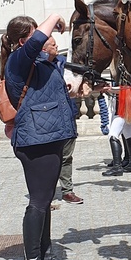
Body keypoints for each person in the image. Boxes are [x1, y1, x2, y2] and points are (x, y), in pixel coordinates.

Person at [0, 14, 77, 260]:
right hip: (36, 141)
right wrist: (55, 16)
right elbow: (38, 40)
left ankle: (45, 255)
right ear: (24, 40)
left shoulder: (37, 62)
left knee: (45, 202)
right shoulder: (18, 58)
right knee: (39, 202)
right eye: (34, 35)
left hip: (48, 137)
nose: (43, 41)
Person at [44, 36, 84, 205]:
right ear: (44, 49)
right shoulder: (38, 66)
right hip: (48, 118)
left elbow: (78, 75)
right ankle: (46, 194)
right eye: (53, 45)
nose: (57, 46)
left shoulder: (63, 62)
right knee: (49, 158)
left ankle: (67, 191)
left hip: (67, 114)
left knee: (67, 156)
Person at [101, 83, 131, 177]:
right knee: (128, 134)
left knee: (113, 135)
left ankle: (117, 167)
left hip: (122, 106)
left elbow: (126, 89)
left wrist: (109, 89)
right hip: (126, 104)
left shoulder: (124, 73)